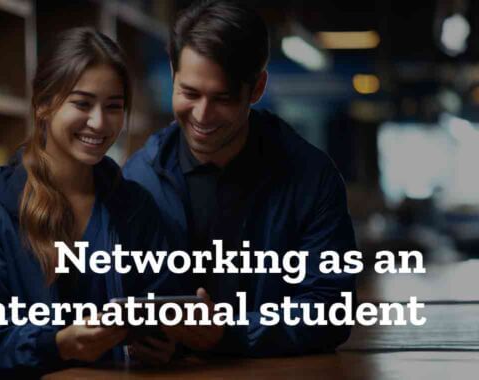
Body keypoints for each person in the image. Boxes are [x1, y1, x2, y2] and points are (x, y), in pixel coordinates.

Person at [122, 0, 357, 357]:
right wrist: (138, 338)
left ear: (257, 88)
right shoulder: (139, 178)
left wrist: (227, 333)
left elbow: (329, 311)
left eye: (223, 98)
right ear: (173, 73)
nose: (202, 115)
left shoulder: (311, 177)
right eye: (189, 93)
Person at [0, 28, 187, 378]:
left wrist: (168, 344)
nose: (99, 122)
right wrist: (56, 344)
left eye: (113, 107)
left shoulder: (134, 206)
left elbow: (162, 304)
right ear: (44, 104)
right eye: (82, 103)